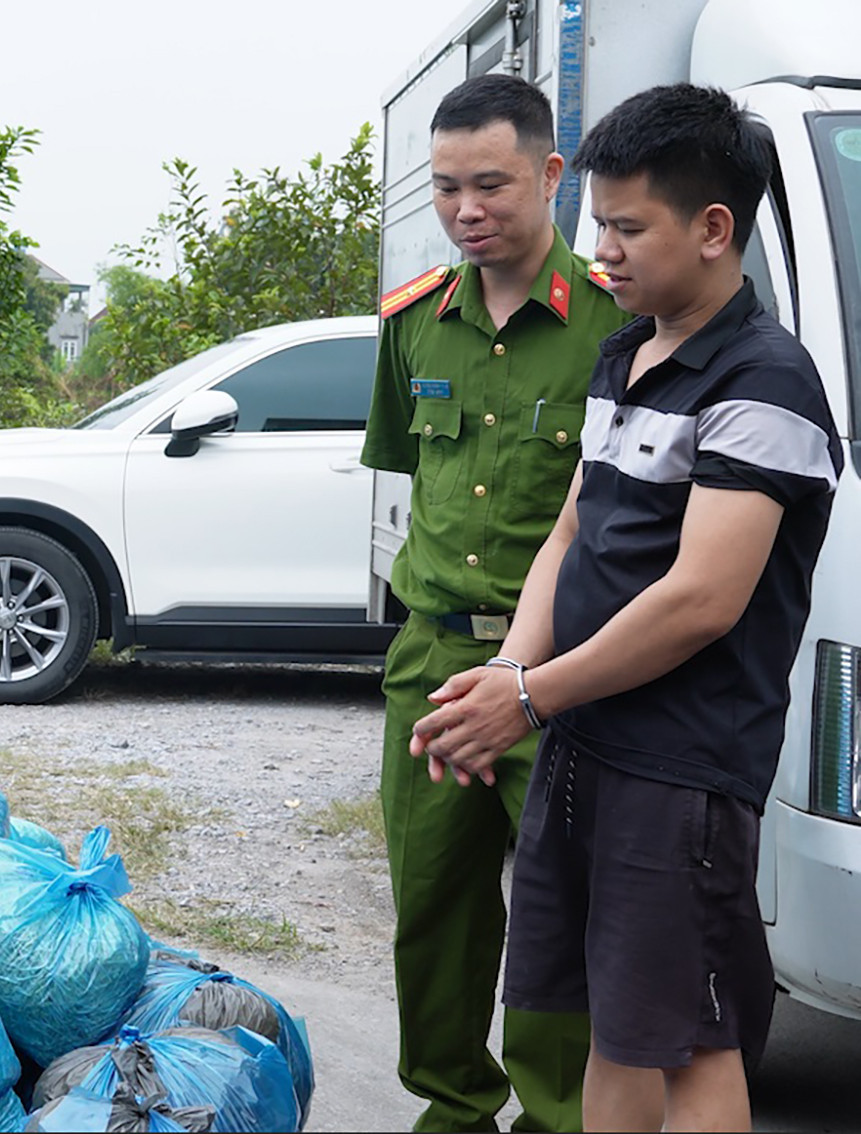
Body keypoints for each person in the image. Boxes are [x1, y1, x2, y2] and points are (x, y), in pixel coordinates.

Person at [409, 83, 841, 1132]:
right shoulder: (627, 352)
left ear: (712, 229)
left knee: (691, 1041)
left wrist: (530, 698)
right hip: (586, 746)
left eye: (627, 228)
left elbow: (700, 600)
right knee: (611, 1022)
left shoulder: (764, 382)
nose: (601, 249)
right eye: (597, 223)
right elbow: (569, 534)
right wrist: (508, 672)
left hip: (680, 769)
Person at [362, 73, 631, 1132]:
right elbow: (410, 481)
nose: (466, 210)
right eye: (446, 189)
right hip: (432, 661)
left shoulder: (616, 321)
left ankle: (558, 1113)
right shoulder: (413, 325)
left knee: (565, 911)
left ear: (551, 175)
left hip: (560, 672)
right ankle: (454, 1105)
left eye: (491, 184)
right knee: (432, 902)